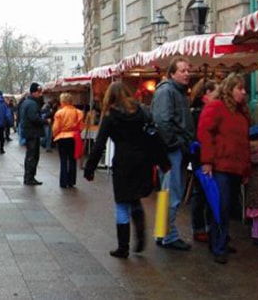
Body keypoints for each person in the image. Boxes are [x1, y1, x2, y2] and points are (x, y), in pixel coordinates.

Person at [84, 81, 159, 258]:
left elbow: (99, 143)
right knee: (135, 199)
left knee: (122, 203)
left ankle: (123, 246)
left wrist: (90, 168)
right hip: (142, 160)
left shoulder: (111, 116)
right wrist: (161, 159)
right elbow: (153, 136)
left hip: (123, 162)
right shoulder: (142, 111)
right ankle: (140, 235)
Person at [197, 73, 251, 264]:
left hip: (236, 167)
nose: (243, 92)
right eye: (239, 88)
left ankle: (219, 241)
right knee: (221, 206)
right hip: (220, 166)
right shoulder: (216, 107)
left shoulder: (241, 112)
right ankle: (219, 246)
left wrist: (245, 169)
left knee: (227, 207)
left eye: (244, 88)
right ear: (230, 89)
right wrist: (207, 161)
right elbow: (205, 133)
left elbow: (244, 142)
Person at [151, 56, 195, 251]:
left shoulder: (176, 91)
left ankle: (163, 232)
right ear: (172, 73)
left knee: (167, 193)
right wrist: (175, 144)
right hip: (172, 150)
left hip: (174, 148)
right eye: (183, 70)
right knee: (171, 193)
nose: (187, 73)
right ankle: (169, 235)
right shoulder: (168, 91)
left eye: (188, 70)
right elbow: (162, 121)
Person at [189, 78, 218, 243]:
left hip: (201, 156)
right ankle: (200, 228)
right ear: (207, 93)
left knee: (204, 193)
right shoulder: (199, 112)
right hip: (200, 156)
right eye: (216, 91)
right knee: (200, 193)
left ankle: (204, 227)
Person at [52, 93, 84, 188]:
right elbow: (81, 126)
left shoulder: (59, 113)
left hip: (62, 137)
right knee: (72, 159)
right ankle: (71, 181)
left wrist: (55, 135)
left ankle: (63, 182)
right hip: (74, 137)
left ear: (63, 101)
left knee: (63, 160)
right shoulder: (78, 112)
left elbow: (56, 128)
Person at [20, 83, 48, 185]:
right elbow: (34, 118)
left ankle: (29, 176)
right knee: (33, 155)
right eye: (38, 92)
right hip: (32, 132)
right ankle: (29, 177)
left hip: (29, 132)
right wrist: (44, 121)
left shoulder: (27, 102)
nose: (40, 94)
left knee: (30, 155)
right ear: (34, 92)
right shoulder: (32, 104)